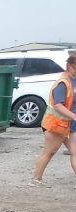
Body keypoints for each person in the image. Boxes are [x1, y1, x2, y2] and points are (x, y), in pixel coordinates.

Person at [32, 54, 76, 186]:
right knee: (49, 152)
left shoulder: (72, 81)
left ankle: (36, 179)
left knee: (74, 151)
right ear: (69, 66)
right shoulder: (63, 83)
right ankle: (36, 179)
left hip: (68, 124)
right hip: (56, 124)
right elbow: (58, 105)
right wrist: (73, 116)